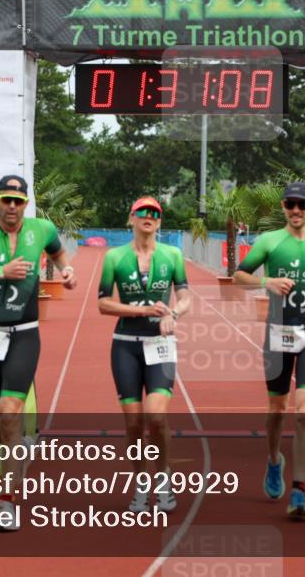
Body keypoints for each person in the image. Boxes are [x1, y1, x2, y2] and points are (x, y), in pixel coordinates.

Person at [0, 175, 77, 531]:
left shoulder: (42, 229)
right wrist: (0, 272)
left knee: (10, 414)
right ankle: (19, 445)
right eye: (6, 199)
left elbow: (58, 252)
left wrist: (67, 270)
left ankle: (7, 502)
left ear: (26, 204)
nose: (12, 206)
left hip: (24, 336)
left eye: (18, 201)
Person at [233, 181, 305, 519]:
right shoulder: (269, 241)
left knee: (304, 410)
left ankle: (299, 490)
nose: (296, 210)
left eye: (302, 204)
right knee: (277, 409)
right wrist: (266, 282)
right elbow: (239, 276)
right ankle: (273, 460)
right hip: (277, 334)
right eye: (290, 204)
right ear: (283, 207)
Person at [97, 196, 191, 512]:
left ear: (159, 221)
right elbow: (103, 304)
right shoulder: (114, 257)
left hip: (160, 344)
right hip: (125, 344)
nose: (148, 217)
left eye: (155, 213)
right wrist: (142, 311)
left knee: (157, 417)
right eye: (142, 212)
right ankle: (140, 483)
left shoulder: (173, 255)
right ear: (132, 218)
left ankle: (163, 480)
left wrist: (173, 314)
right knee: (134, 423)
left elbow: (186, 298)